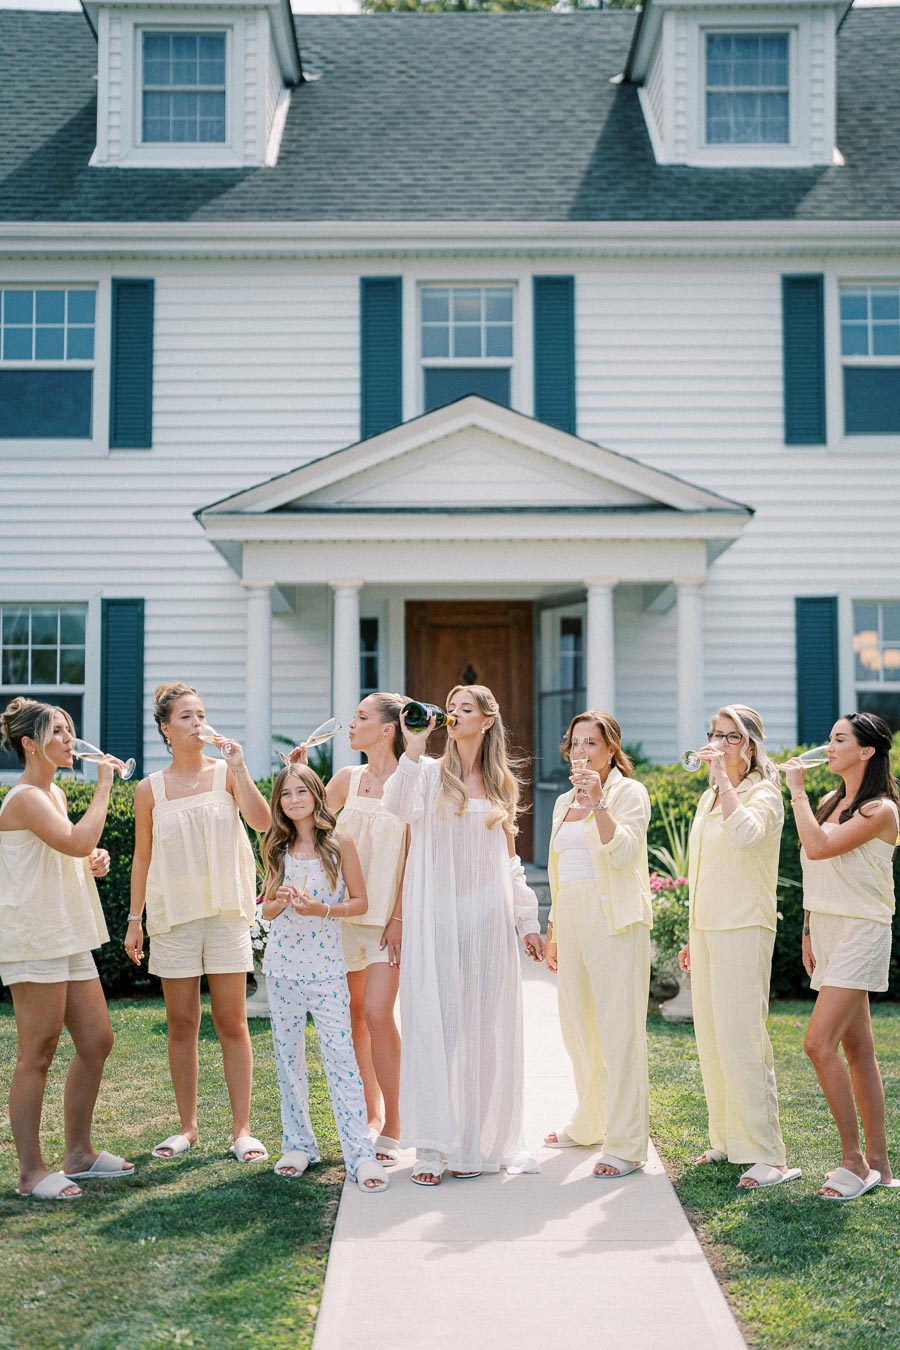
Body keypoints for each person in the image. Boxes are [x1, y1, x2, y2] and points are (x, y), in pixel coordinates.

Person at [383, 684, 544, 1186]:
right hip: (437, 917)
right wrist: (413, 744)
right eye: (449, 709)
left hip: (487, 921)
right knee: (437, 1027)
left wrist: (528, 921)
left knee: (483, 1031)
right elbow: (397, 807)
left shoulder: (501, 783)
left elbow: (511, 861)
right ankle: (431, 1146)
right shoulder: (428, 775)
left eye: (464, 709)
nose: (453, 716)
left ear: (487, 721)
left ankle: (473, 1143)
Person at [126, 682, 271, 1164]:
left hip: (225, 911)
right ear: (166, 729)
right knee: (181, 1023)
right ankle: (187, 1128)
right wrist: (134, 919)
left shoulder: (224, 776)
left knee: (232, 1021)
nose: (197, 723)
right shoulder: (148, 789)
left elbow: (263, 822)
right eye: (186, 717)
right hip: (173, 918)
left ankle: (242, 1130)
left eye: (201, 715)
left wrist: (240, 766)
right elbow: (141, 858)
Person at [0, 697, 133, 1200]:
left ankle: (78, 1154)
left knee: (97, 1039)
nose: (69, 739)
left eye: (70, 729)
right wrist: (103, 788)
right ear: (30, 744)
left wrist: (90, 859)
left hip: (66, 930)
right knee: (37, 1050)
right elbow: (74, 841)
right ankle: (31, 1173)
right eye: (58, 731)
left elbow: (70, 848)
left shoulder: (51, 794)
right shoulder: (26, 797)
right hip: (33, 935)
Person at [679, 705, 800, 1189]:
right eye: (714, 734)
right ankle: (729, 1140)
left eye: (731, 738)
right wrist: (692, 933)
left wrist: (724, 784)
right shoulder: (709, 797)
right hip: (708, 928)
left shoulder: (765, 793)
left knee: (743, 1037)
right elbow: (703, 869)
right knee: (711, 1037)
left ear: (750, 746)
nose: (720, 744)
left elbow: (747, 836)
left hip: (745, 927)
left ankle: (769, 1154)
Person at [259, 765, 389, 1192]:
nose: (294, 800)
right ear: (279, 803)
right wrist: (279, 900)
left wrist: (323, 910)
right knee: (288, 1059)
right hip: (281, 970)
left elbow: (361, 901)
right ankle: (298, 1144)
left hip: (328, 969)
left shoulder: (339, 845)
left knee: (342, 1061)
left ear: (316, 795)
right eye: (286, 794)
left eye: (302, 791)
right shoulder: (275, 847)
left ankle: (360, 1154)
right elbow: (266, 911)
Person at [786, 711, 898, 1201]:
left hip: (861, 932)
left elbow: (815, 848)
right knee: (859, 1051)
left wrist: (795, 791)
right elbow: (818, 872)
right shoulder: (835, 800)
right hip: (829, 929)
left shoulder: (882, 811)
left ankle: (852, 1161)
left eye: (838, 740)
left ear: (867, 751)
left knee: (817, 1043)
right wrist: (809, 930)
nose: (827, 747)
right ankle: (881, 1165)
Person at [292, 694, 408, 1166]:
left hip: (386, 922)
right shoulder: (347, 779)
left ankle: (396, 1122)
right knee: (355, 1014)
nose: (350, 725)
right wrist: (298, 775)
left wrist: (399, 917)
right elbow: (302, 818)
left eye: (361, 718)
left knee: (380, 1014)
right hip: (342, 918)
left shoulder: (412, 782)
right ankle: (371, 1113)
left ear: (387, 729)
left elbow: (415, 857)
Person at [543, 711, 652, 1179]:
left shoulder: (629, 793)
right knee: (578, 1027)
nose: (581, 750)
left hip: (615, 922)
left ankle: (626, 1144)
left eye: (592, 742)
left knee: (619, 1030)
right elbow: (559, 868)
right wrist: (553, 929)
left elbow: (624, 853)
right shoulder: (563, 800)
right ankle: (589, 1122)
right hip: (572, 918)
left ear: (611, 749)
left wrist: (600, 801)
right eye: (575, 742)